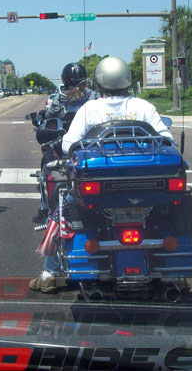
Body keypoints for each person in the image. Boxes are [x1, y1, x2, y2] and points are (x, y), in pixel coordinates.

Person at [30, 56, 172, 293]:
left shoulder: (90, 109)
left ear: (98, 84)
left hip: (99, 191)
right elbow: (167, 140)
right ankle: (175, 270)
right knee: (172, 207)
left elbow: (68, 145)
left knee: (63, 206)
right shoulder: (144, 107)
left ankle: (50, 273)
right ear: (128, 81)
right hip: (146, 189)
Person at [32, 62, 99, 224]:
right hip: (89, 145)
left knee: (45, 170)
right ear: (84, 79)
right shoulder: (93, 96)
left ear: (64, 79)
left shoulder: (60, 97)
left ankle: (44, 208)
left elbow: (50, 116)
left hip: (63, 144)